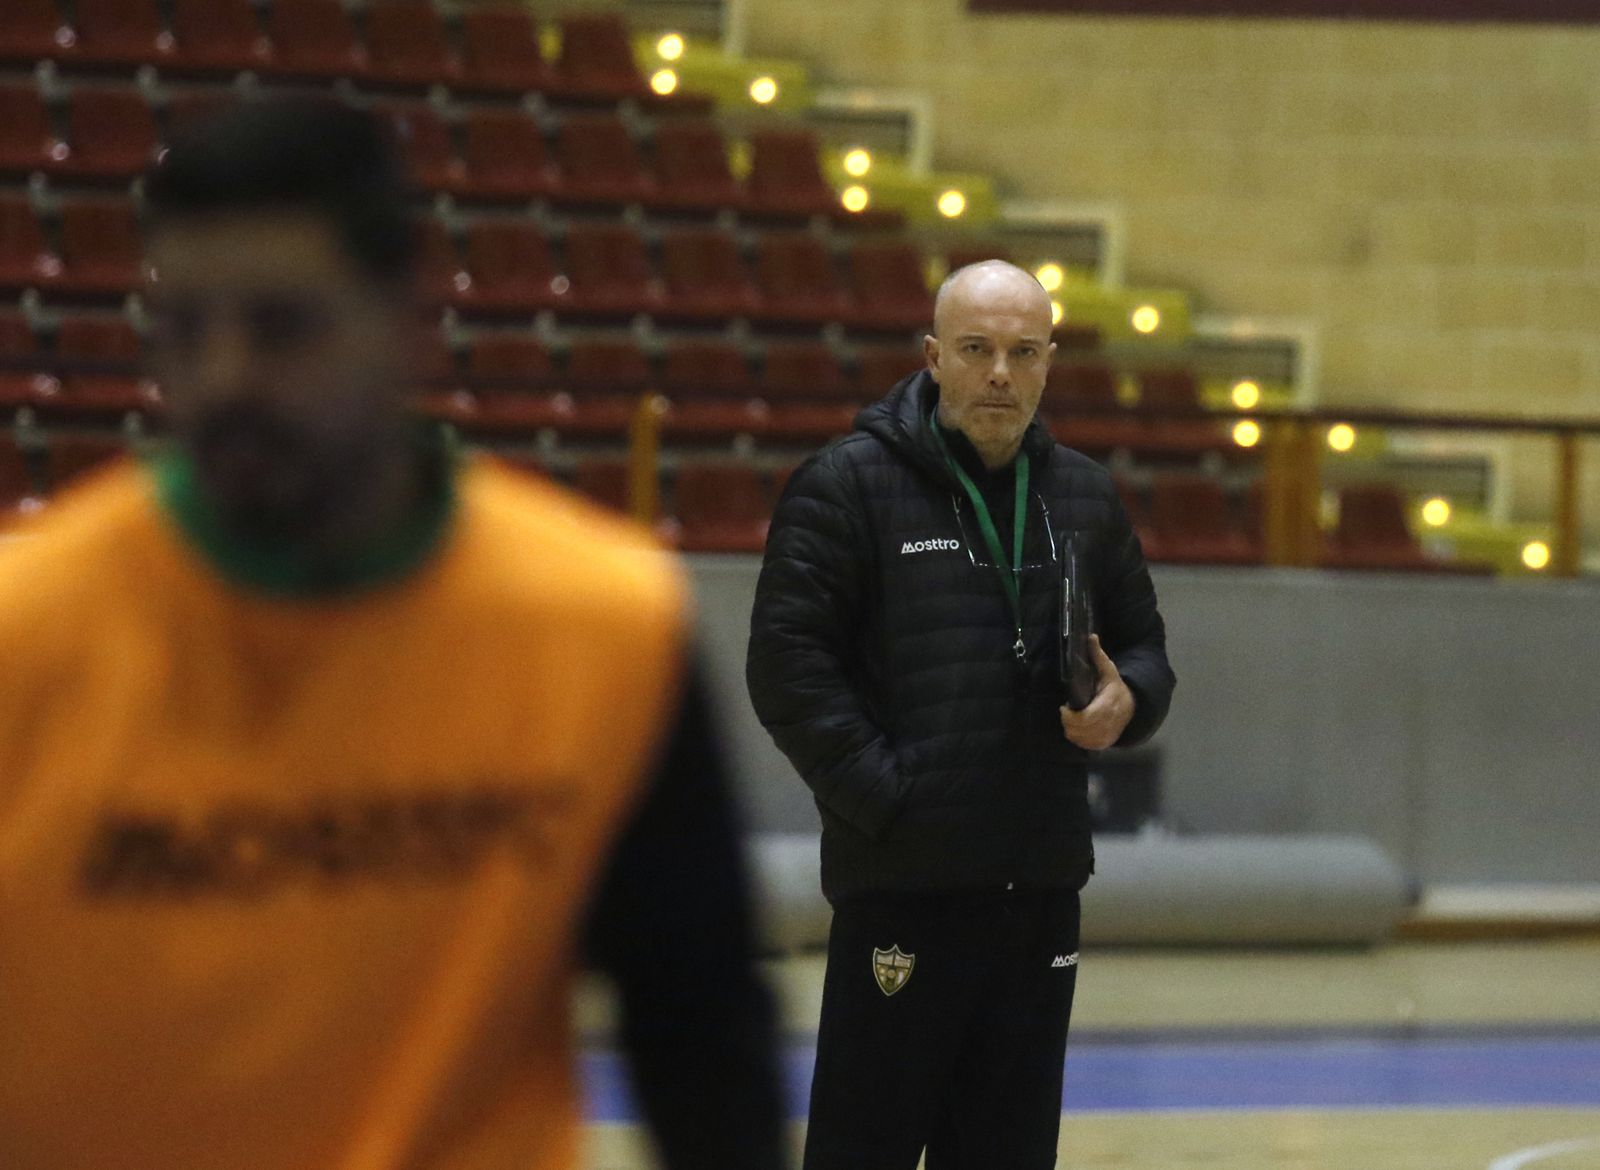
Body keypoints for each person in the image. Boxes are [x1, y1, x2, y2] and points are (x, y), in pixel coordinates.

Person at [0, 101, 786, 1170]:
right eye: (185, 330)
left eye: (282, 326)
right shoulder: (25, 635)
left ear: (413, 319)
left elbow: (701, 1047)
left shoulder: (599, 628)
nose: (226, 378)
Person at [746, 260, 1176, 1169]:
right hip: (905, 890)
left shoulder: (1084, 497)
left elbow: (1145, 651)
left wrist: (1125, 700)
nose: (1000, 375)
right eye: (977, 351)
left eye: (1024, 353)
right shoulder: (845, 487)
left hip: (1041, 889)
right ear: (934, 357)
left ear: (1051, 362)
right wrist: (892, 799)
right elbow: (785, 668)